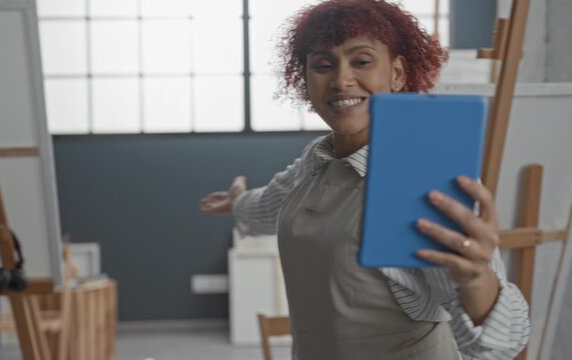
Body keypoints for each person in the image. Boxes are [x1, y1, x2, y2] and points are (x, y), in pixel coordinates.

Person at [200, 1, 530, 359]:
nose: (341, 80)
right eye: (323, 65)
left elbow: (499, 345)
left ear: (398, 74)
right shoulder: (317, 158)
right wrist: (237, 202)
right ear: (306, 79)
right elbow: (271, 204)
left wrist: (478, 279)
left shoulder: (421, 179)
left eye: (361, 62)